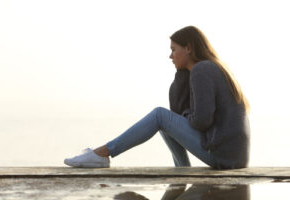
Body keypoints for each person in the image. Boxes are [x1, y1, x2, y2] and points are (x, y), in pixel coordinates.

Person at [64, 26, 250, 169]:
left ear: (188, 48)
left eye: (173, 49)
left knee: (160, 115)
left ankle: (102, 154)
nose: (170, 56)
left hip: (224, 156)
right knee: (163, 121)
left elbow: (202, 120)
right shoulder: (206, 69)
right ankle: (183, 170)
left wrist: (185, 115)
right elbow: (177, 112)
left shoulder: (202, 70)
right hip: (233, 157)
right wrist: (182, 75)